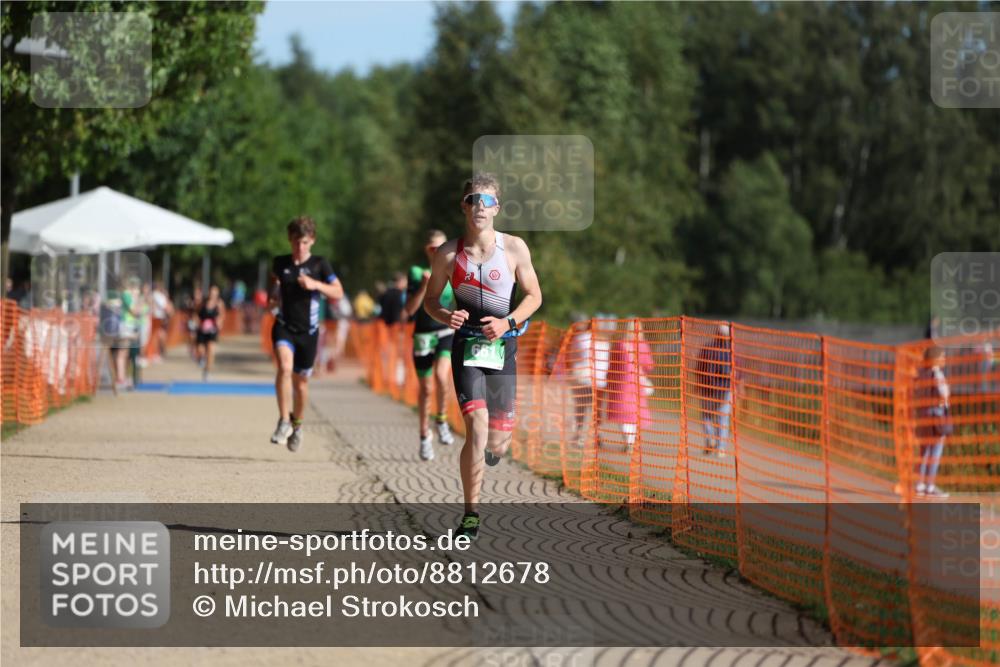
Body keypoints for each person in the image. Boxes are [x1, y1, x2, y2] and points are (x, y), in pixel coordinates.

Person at [423, 173, 542, 539]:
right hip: (467, 348)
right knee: (476, 427)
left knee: (498, 441)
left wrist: (507, 323)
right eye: (474, 200)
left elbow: (534, 296)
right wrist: (446, 316)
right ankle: (471, 514)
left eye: (487, 201)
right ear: (464, 206)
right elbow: (430, 301)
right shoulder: (448, 254)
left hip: (503, 348)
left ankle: (493, 448)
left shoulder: (514, 248)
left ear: (497, 209)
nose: (480, 206)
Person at [269, 216, 344, 452]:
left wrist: (315, 285)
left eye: (303, 242)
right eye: (295, 242)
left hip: (309, 333)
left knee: (301, 384)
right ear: (289, 240)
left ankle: (297, 425)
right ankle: (283, 420)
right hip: (284, 326)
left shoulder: (320, 264)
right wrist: (273, 296)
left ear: (312, 241)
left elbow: (338, 292)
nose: (299, 247)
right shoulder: (280, 263)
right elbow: (275, 287)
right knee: (284, 367)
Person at [404, 230, 457, 461]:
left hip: (445, 331)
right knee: (425, 389)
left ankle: (442, 420)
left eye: (441, 247)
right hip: (423, 335)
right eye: (432, 248)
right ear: (427, 250)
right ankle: (425, 436)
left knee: (442, 376)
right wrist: (424, 286)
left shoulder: (453, 270)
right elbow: (410, 310)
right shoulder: (417, 272)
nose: (437, 252)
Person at [602, 324, 654, 450]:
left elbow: (612, 364)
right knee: (634, 412)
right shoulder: (643, 345)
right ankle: (631, 440)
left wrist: (609, 378)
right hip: (637, 383)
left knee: (622, 412)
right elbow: (649, 365)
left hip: (621, 384)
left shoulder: (620, 344)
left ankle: (629, 441)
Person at [914, 346, 951, 498]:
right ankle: (930, 486)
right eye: (942, 356)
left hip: (923, 415)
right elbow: (943, 393)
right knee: (935, 453)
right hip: (936, 416)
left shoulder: (921, 374)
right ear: (935, 359)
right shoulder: (937, 374)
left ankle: (919, 485)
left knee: (923, 452)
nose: (944, 359)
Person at [568, 315, 610, 447]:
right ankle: (598, 435)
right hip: (600, 381)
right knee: (596, 410)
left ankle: (579, 436)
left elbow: (572, 356)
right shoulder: (605, 342)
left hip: (582, 378)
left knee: (581, 408)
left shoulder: (581, 338)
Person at [696, 323, 733, 457]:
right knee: (722, 418)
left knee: (707, 416)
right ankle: (720, 447)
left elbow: (698, 368)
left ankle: (709, 440)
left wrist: (698, 384)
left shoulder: (706, 349)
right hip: (724, 390)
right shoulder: (730, 352)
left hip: (707, 389)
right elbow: (733, 372)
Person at [195, 285, 225, 381]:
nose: (213, 295)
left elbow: (222, 315)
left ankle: (207, 372)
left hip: (212, 331)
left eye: (215, 293)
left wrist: (220, 322)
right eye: (211, 293)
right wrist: (197, 322)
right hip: (202, 330)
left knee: (211, 351)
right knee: (201, 350)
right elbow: (196, 313)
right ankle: (201, 359)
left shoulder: (219, 303)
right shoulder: (203, 303)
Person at [150, 282, 173, 363]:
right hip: (158, 318)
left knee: (158, 336)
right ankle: (157, 353)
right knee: (158, 336)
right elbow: (166, 307)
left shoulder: (155, 295)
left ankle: (157, 353)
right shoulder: (158, 295)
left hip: (158, 318)